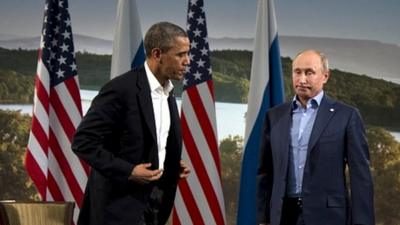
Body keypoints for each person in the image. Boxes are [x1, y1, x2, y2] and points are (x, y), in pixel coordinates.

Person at [72, 21, 191, 225]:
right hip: (117, 208)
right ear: (157, 54)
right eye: (180, 54)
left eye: (187, 53)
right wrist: (128, 171)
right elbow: (83, 142)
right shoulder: (120, 90)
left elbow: (149, 141)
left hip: (155, 205)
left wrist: (168, 164)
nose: (187, 61)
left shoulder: (168, 93)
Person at [257, 50, 375, 225]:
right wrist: (263, 219)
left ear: (325, 76)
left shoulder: (347, 116)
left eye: (309, 72)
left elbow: (361, 178)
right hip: (283, 216)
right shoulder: (274, 116)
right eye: (297, 72)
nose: (302, 79)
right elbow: (265, 172)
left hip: (329, 218)